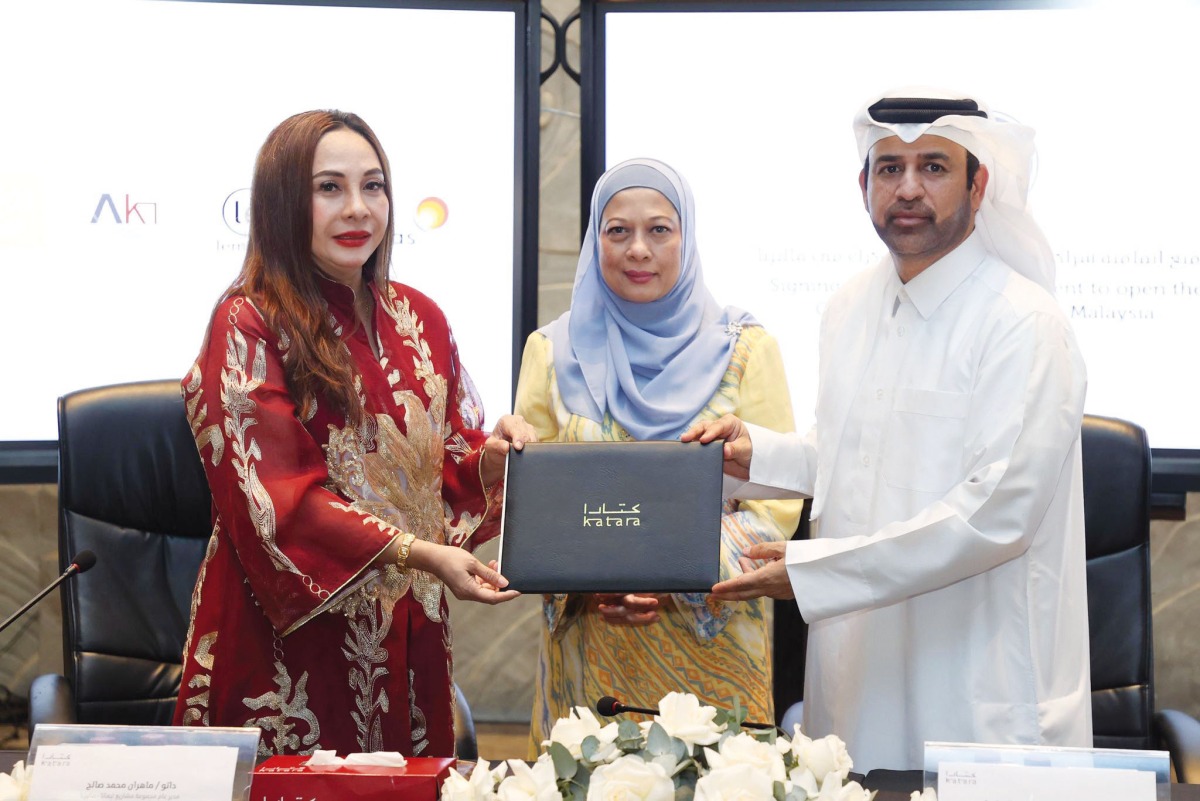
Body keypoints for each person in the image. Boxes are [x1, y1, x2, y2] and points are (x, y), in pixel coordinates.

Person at [683, 90, 1091, 771]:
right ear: (862, 185)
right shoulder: (849, 305)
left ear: (979, 182)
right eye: (889, 168)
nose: (907, 189)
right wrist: (764, 455)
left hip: (975, 686)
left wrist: (816, 570)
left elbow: (996, 514)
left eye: (933, 167)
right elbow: (857, 450)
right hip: (858, 674)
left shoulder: (1024, 323)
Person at [174, 110, 534, 758]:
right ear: (284, 200)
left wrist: (496, 457)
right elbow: (279, 503)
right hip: (291, 650)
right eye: (329, 188)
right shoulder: (249, 322)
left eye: (373, 186)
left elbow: (441, 459)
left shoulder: (419, 315)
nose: (358, 209)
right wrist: (421, 554)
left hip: (409, 634)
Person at [515, 158, 802, 754]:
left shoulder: (745, 349)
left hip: (714, 652)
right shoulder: (550, 351)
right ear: (596, 240)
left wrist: (673, 578)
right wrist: (593, 581)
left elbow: (777, 503)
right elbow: (536, 503)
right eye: (617, 231)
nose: (638, 249)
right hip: (590, 653)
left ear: (686, 238)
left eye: (659, 230)